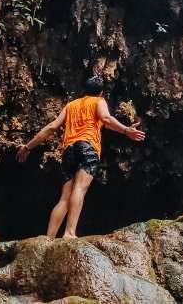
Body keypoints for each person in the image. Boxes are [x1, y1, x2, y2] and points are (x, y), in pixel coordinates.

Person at [16, 76, 145, 238]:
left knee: (64, 197)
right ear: (100, 93)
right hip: (88, 147)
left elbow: (52, 127)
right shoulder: (99, 101)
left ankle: (48, 238)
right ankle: (69, 232)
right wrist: (126, 130)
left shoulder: (71, 105)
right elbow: (106, 119)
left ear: (83, 90)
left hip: (69, 149)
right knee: (79, 189)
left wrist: (28, 147)